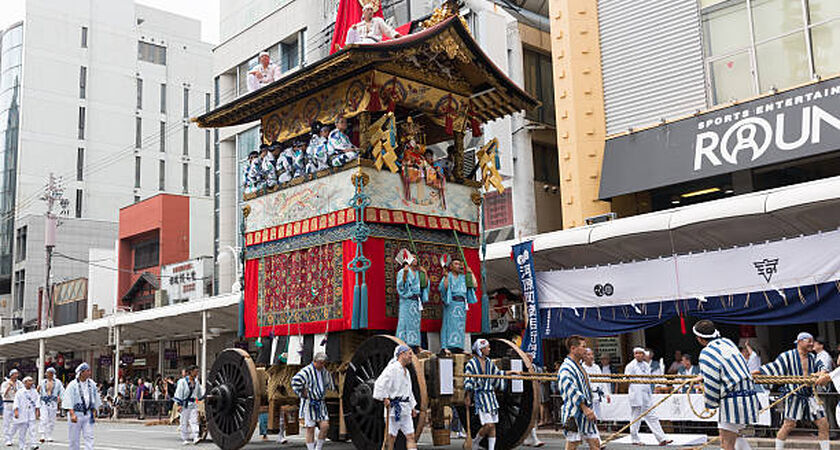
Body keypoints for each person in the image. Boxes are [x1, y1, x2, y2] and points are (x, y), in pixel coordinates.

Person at [757, 332, 832, 450]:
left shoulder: (813, 357)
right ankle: (778, 448)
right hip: (794, 395)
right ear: (800, 342)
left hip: (810, 396)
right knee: (789, 425)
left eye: (812, 341)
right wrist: (751, 373)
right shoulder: (787, 356)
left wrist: (820, 374)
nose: (812, 344)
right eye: (809, 341)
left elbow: (823, 369)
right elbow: (771, 368)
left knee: (823, 424)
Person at [694, 320, 759, 450]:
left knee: (726, 443)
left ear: (699, 339)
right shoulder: (728, 342)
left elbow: (712, 382)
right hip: (749, 396)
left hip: (732, 402)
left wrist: (710, 404)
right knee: (736, 436)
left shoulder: (707, 352)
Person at [558, 336, 600, 450]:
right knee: (572, 445)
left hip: (585, 413)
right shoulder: (566, 368)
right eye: (583, 347)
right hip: (574, 413)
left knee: (595, 443)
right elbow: (571, 390)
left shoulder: (580, 366)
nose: (586, 350)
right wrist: (585, 408)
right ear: (573, 348)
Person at [373, 345, 418, 450]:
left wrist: (412, 407)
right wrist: (384, 398)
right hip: (393, 409)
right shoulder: (392, 368)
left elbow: (409, 391)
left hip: (405, 409)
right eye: (410, 353)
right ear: (402, 354)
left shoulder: (406, 372)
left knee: (411, 436)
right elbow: (380, 384)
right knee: (391, 437)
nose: (411, 356)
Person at [463, 339, 505, 450]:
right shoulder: (472, 363)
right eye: (487, 347)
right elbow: (468, 378)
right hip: (481, 397)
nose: (489, 349)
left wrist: (510, 373)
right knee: (489, 424)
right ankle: (476, 441)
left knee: (493, 426)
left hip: (491, 396)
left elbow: (497, 374)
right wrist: (467, 396)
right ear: (481, 349)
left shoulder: (489, 362)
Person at [624, 347, 671, 445]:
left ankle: (661, 438)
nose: (638, 355)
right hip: (636, 395)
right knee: (635, 417)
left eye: (640, 353)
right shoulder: (630, 366)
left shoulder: (646, 365)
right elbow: (625, 380)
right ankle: (634, 439)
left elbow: (649, 379)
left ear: (643, 355)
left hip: (646, 394)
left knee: (652, 416)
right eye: (636, 353)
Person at [292, 352, 334, 450]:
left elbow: (329, 383)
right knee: (310, 429)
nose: (322, 365)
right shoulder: (306, 371)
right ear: (315, 361)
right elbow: (295, 381)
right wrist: (302, 392)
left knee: (325, 426)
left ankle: (318, 448)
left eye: (323, 363)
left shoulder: (324, 371)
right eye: (320, 363)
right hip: (309, 403)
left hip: (321, 402)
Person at [438, 258, 478, 353]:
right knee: (448, 324)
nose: (459, 266)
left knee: (460, 326)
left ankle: (459, 346)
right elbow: (443, 288)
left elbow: (474, 285)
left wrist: (470, 273)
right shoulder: (448, 276)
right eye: (456, 264)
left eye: (460, 264)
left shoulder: (464, 277)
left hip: (462, 304)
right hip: (451, 302)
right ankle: (445, 347)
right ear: (451, 266)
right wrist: (446, 277)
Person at [395, 249, 428, 351]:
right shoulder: (403, 271)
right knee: (405, 321)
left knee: (415, 323)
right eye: (412, 258)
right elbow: (401, 286)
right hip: (407, 300)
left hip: (416, 301)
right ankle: (404, 343)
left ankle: (416, 344)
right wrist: (405, 273)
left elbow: (424, 285)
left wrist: (425, 273)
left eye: (415, 258)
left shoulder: (418, 273)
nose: (414, 260)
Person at [62, 362, 101, 450]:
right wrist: (72, 414)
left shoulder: (92, 384)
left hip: (88, 414)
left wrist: (94, 411)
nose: (89, 373)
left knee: (89, 436)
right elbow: (68, 400)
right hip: (76, 413)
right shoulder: (73, 385)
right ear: (81, 372)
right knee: (74, 438)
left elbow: (96, 397)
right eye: (87, 371)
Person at [174, 365, 203, 445]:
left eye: (197, 371)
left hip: (193, 403)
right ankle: (185, 438)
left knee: (194, 421)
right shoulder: (182, 381)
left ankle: (196, 436)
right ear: (190, 372)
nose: (197, 373)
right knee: (184, 421)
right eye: (195, 371)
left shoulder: (197, 382)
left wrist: (202, 397)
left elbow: (199, 393)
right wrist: (179, 404)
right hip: (184, 404)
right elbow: (179, 392)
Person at [12, 376, 39, 450]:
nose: (31, 382)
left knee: (32, 429)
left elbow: (37, 401)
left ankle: (33, 444)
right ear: (25, 382)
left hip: (31, 413)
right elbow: (16, 402)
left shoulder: (34, 391)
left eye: (31, 381)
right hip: (22, 413)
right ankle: (22, 446)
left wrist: (37, 411)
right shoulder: (20, 392)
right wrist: (16, 411)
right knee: (22, 431)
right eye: (29, 381)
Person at [38, 367, 63, 443]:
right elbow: (38, 391)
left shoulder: (58, 382)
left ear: (53, 374)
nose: (48, 374)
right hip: (44, 402)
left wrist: (60, 398)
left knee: (51, 420)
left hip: (53, 402)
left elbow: (62, 391)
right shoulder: (42, 382)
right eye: (47, 373)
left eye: (50, 373)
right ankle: (42, 434)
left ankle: (49, 435)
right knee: (44, 418)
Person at [582, 348, 609, 419]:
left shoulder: (596, 367)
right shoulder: (582, 368)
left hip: (597, 395)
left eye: (592, 354)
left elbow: (602, 380)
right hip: (587, 396)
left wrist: (606, 393)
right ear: (584, 356)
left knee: (597, 416)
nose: (591, 356)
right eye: (588, 354)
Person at [2, 369, 23, 447]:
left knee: (16, 422)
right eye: (15, 374)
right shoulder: (5, 383)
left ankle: (10, 436)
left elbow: (21, 393)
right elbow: (3, 395)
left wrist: (14, 387)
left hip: (16, 404)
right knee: (7, 422)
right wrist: (9, 386)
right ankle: (7, 439)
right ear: (11, 375)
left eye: (17, 373)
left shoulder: (19, 383)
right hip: (8, 403)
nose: (17, 375)